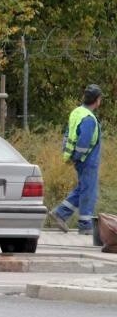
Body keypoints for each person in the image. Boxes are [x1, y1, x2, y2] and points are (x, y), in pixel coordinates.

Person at [48, 84, 104, 235]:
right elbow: (83, 143)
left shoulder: (77, 112)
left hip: (81, 160)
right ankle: (85, 225)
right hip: (87, 160)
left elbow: (68, 134)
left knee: (82, 189)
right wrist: (78, 157)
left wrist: (71, 157)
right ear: (97, 100)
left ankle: (60, 213)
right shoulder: (89, 119)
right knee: (88, 191)